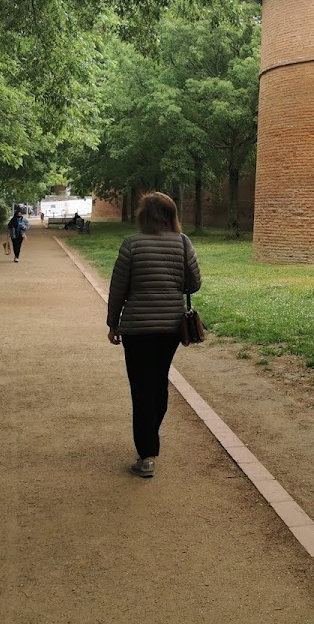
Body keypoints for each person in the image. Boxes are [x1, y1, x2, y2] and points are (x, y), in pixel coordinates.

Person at [106, 191, 201, 478]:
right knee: (158, 382)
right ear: (172, 214)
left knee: (141, 387)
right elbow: (194, 284)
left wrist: (113, 324)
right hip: (170, 327)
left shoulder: (131, 245)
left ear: (142, 215)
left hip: (137, 328)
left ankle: (147, 454)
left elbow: (118, 288)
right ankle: (151, 435)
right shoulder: (183, 243)